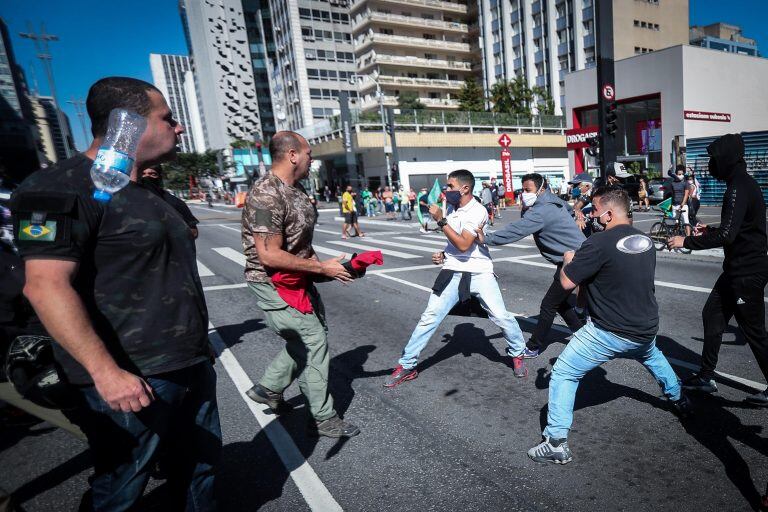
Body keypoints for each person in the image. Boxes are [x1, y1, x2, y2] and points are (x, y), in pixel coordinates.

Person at [10, 77, 220, 510]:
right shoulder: (58, 188)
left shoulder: (142, 190)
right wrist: (105, 372)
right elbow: (45, 285)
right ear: (127, 124)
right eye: (167, 118)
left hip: (187, 362)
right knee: (122, 485)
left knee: (200, 467)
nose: (177, 127)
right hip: (131, 373)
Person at [528, 187, 690, 465]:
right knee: (652, 355)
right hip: (646, 326)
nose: (591, 214)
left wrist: (569, 261)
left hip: (609, 331)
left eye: (594, 209)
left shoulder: (598, 243)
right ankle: (679, 398)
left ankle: (555, 442)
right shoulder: (645, 240)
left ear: (609, 213)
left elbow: (567, 283)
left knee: (564, 372)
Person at [241, 131, 360, 437]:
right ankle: (323, 417)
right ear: (292, 155)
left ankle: (270, 388)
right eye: (309, 153)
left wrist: (333, 268)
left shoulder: (296, 191)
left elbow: (301, 246)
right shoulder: (265, 194)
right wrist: (321, 268)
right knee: (313, 341)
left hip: (299, 279)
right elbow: (269, 255)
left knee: (310, 339)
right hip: (273, 281)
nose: (312, 159)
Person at [384, 170, 528, 388]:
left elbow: (464, 244)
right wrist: (444, 253)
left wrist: (441, 221)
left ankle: (517, 353)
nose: (446, 190)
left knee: (501, 316)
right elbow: (454, 244)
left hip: (479, 271)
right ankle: (407, 364)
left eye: (450, 186)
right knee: (429, 317)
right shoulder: (451, 208)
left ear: (465, 189)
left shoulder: (477, 210)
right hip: (452, 270)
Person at [668, 134, 768, 405]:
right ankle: (706, 376)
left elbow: (727, 236)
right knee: (712, 314)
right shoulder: (740, 184)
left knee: (754, 332)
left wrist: (686, 240)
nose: (711, 164)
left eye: (713, 159)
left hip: (746, 273)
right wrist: (708, 230)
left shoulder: (739, 187)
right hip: (736, 270)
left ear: (726, 159)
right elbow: (734, 229)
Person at [478, 173, 585, 358]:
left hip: (573, 260)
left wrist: (487, 238)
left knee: (548, 305)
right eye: (523, 190)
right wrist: (577, 214)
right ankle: (582, 334)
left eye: (528, 190)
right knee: (559, 303)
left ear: (541, 189)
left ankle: (534, 346)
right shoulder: (554, 201)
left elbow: (517, 230)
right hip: (572, 258)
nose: (524, 194)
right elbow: (569, 210)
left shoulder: (541, 210)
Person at [140, 166, 200, 239]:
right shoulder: (129, 201)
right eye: (143, 174)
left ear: (160, 178)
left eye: (152, 174)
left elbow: (193, 232)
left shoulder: (175, 202)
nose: (147, 177)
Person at [668, 164, 692, 235]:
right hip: (675, 205)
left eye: (682, 174)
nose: (681, 175)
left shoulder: (685, 183)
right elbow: (672, 194)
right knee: (676, 222)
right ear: (676, 174)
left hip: (683, 205)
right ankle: (676, 236)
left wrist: (682, 204)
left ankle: (688, 237)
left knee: (686, 221)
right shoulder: (673, 183)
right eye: (679, 174)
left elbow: (686, 195)